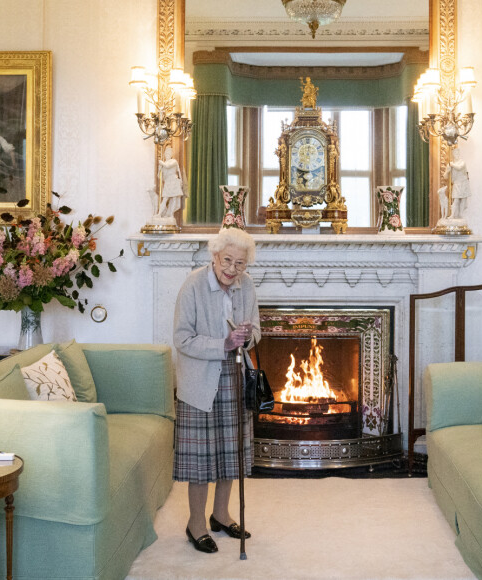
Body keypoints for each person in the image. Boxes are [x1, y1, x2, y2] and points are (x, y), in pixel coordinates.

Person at [173, 227, 261, 554]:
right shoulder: (193, 285)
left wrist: (247, 336)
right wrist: (223, 343)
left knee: (230, 453)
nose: (232, 270)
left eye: (240, 263)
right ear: (215, 255)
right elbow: (181, 339)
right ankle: (196, 523)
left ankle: (220, 515)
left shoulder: (246, 285)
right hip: (200, 381)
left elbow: (256, 331)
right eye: (227, 260)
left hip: (235, 376)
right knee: (202, 460)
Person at [156, 146, 185, 218]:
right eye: (166, 153)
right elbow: (159, 177)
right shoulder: (164, 163)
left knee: (174, 198)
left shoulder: (174, 161)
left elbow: (168, 166)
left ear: (171, 154)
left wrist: (161, 163)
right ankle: (159, 214)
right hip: (168, 182)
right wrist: (159, 169)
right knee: (165, 198)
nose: (167, 154)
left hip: (174, 181)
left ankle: (171, 214)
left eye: (169, 153)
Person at [445, 147, 471, 219]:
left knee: (463, 199)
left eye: (458, 153)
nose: (457, 154)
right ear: (453, 154)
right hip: (456, 183)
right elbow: (445, 177)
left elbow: (459, 167)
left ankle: (461, 215)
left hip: (463, 182)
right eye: (455, 153)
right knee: (456, 199)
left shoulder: (462, 162)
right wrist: (447, 171)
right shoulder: (451, 164)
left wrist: (451, 165)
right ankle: (453, 215)